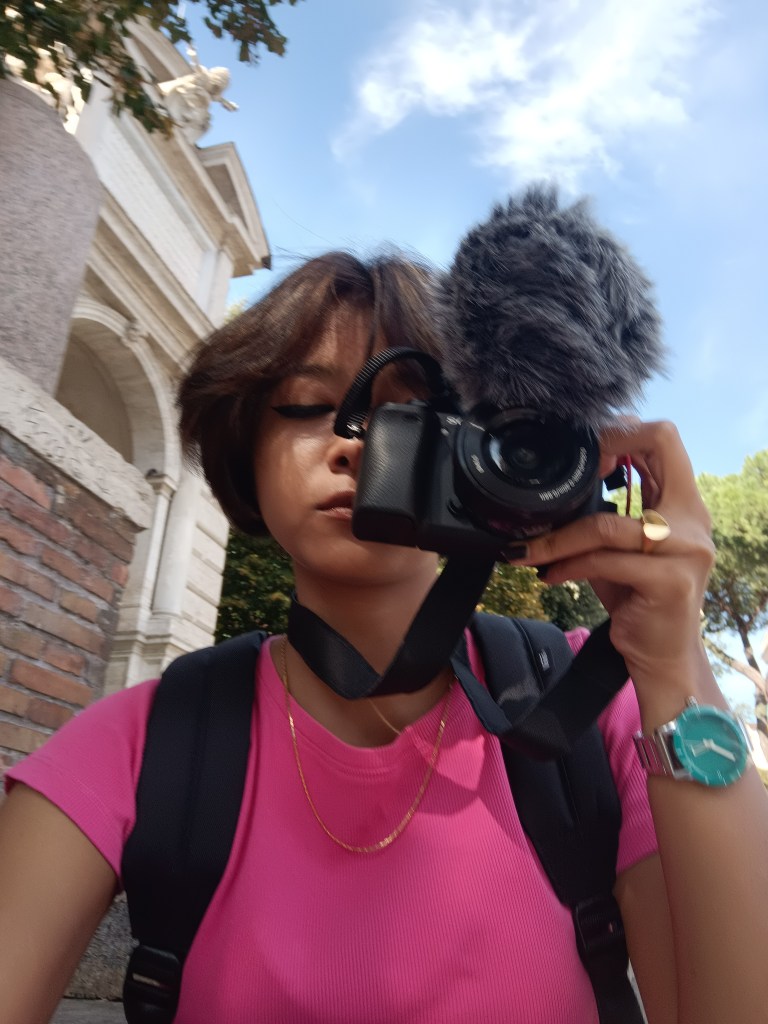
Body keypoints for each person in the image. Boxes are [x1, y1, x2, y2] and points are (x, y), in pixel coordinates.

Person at [1, 251, 768, 1024]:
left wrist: (673, 664)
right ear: (245, 449)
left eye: (412, 414)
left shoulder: (587, 708)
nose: (355, 444)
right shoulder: (149, 741)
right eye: (309, 406)